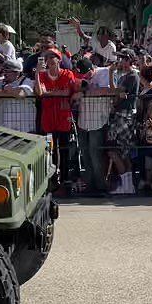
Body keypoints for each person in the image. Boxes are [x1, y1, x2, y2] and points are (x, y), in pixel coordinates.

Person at [35, 47, 78, 193]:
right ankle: (53, 179)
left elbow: (68, 91)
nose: (50, 60)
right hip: (48, 118)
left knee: (64, 148)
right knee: (51, 150)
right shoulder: (42, 75)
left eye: (53, 57)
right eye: (48, 58)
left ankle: (65, 178)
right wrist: (37, 73)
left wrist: (50, 93)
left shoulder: (67, 74)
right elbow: (40, 93)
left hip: (63, 116)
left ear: (59, 59)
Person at [75, 57, 114, 194]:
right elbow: (74, 93)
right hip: (83, 120)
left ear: (92, 68)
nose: (85, 77)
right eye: (82, 75)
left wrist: (85, 92)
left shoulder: (104, 72)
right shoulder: (78, 76)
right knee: (85, 155)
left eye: (87, 74)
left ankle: (101, 186)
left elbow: (106, 91)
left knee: (95, 154)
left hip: (98, 121)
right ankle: (90, 185)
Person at [106, 50, 140, 195]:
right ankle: (126, 186)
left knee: (117, 151)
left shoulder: (132, 76)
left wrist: (110, 74)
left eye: (123, 58)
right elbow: (116, 93)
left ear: (129, 60)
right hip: (120, 114)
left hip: (125, 116)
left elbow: (115, 93)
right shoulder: (124, 76)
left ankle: (127, 186)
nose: (120, 61)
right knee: (120, 151)